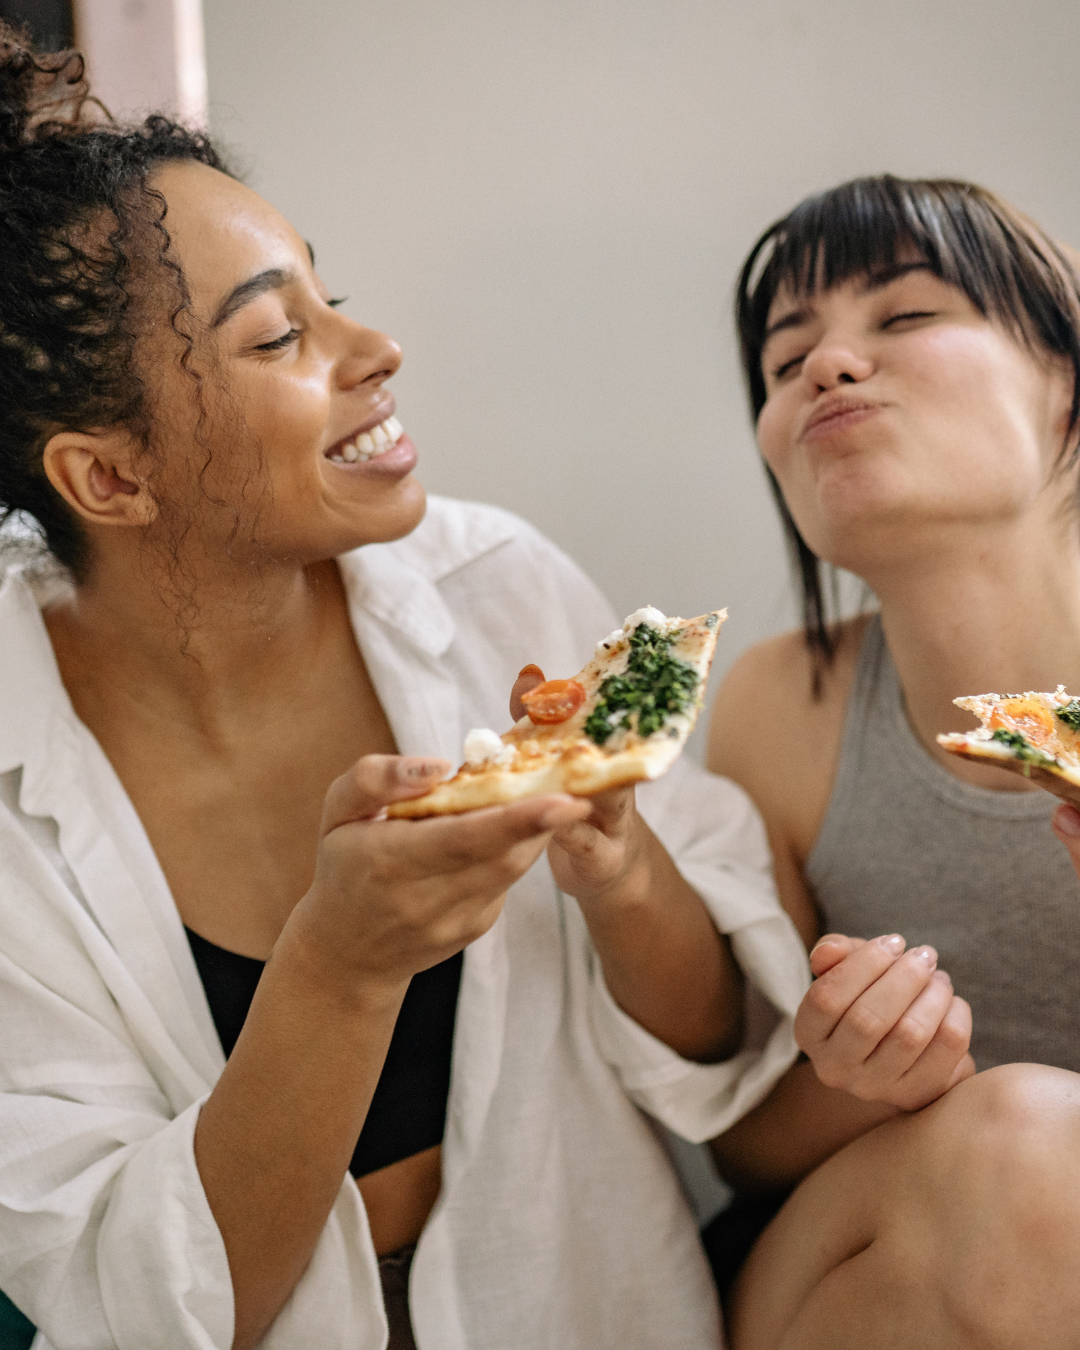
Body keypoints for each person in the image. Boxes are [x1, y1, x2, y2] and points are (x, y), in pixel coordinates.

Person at [0, 26, 823, 1350]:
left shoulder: (499, 587)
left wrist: (616, 867)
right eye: (279, 337)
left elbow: (721, 1044)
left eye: (328, 294)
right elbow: (140, 1308)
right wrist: (338, 970)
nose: (375, 346)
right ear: (109, 478)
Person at [706, 175, 1080, 1347]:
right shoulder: (781, 706)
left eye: (905, 316)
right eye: (784, 361)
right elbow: (737, 1133)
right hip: (863, 1250)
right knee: (1034, 1150)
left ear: (1065, 376)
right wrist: (871, 1074)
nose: (826, 366)